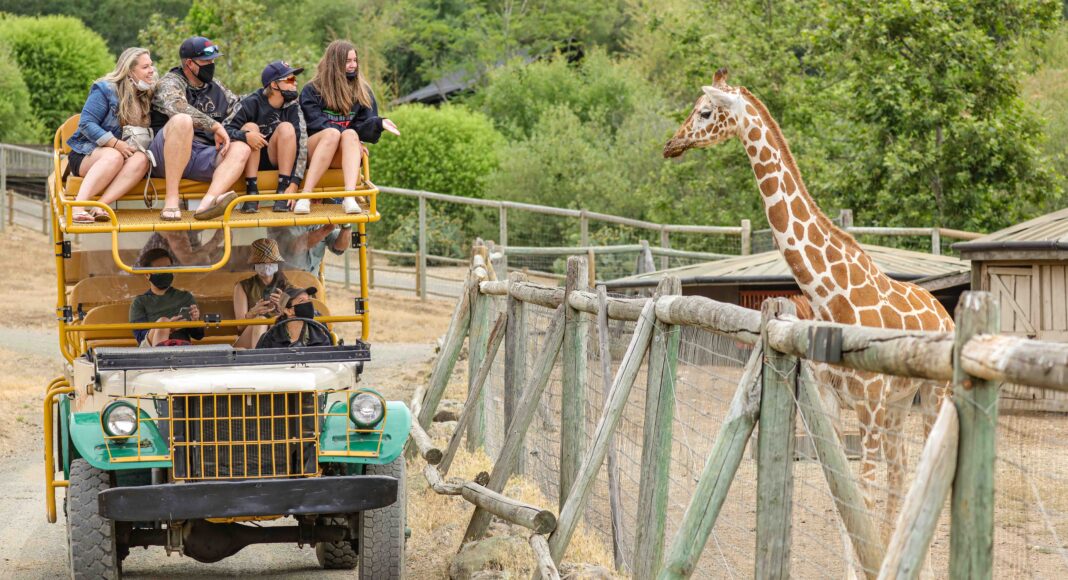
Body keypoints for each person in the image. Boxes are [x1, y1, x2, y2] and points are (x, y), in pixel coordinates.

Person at [149, 36, 251, 221]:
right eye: (206, 61)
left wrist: (268, 96)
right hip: (166, 155)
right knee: (183, 121)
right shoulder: (170, 82)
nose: (211, 64)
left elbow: (238, 105)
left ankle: (208, 203)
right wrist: (213, 125)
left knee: (242, 148)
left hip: (202, 155)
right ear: (189, 63)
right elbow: (176, 105)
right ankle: (172, 199)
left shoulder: (215, 86)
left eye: (213, 60)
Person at [298, 40, 400, 215]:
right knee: (332, 134)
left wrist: (378, 123)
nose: (353, 65)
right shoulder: (312, 90)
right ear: (334, 63)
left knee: (351, 134)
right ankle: (305, 197)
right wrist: (348, 137)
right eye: (347, 61)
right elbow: (314, 125)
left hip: (342, 153)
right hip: (316, 150)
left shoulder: (363, 91)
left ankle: (349, 197)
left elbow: (364, 127)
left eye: (355, 60)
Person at [66, 48, 156, 224]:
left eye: (151, 65)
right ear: (130, 71)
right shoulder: (105, 89)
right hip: (88, 153)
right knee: (114, 156)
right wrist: (115, 144)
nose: (151, 70)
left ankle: (101, 206)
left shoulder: (147, 95)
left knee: (142, 160)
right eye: (145, 67)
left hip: (122, 156)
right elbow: (86, 123)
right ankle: (77, 207)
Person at [224, 61, 308, 214]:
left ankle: (282, 191)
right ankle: (252, 194)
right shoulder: (251, 102)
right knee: (250, 127)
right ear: (274, 84)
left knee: (287, 128)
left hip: (276, 157)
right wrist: (245, 136)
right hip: (249, 158)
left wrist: (294, 183)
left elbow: (302, 143)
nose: (295, 83)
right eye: (289, 79)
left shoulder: (293, 106)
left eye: (294, 79)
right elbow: (224, 129)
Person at [129, 248, 205, 347]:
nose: (166, 272)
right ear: (147, 274)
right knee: (163, 322)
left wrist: (195, 321)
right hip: (150, 349)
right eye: (160, 269)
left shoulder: (185, 297)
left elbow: (199, 335)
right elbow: (140, 337)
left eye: (168, 268)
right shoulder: (139, 302)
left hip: (181, 347)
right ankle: (162, 355)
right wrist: (167, 329)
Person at [233, 238, 293, 348]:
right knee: (261, 321)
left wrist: (282, 309)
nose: (266, 265)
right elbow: (240, 327)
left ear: (276, 263)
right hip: (248, 340)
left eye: (270, 262)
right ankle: (259, 358)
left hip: (278, 335)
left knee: (273, 322)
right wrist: (253, 313)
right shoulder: (243, 286)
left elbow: (294, 322)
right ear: (254, 264)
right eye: (261, 262)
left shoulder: (287, 286)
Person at [255, 286, 331, 348]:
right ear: (288, 311)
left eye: (308, 300)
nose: (308, 304)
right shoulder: (269, 339)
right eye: (302, 301)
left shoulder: (320, 337)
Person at [268, 222, 352, 273]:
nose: (317, 200)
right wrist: (326, 229)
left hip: (311, 283)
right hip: (285, 282)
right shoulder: (289, 216)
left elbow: (340, 247)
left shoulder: (322, 220)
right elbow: (295, 247)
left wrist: (346, 226)